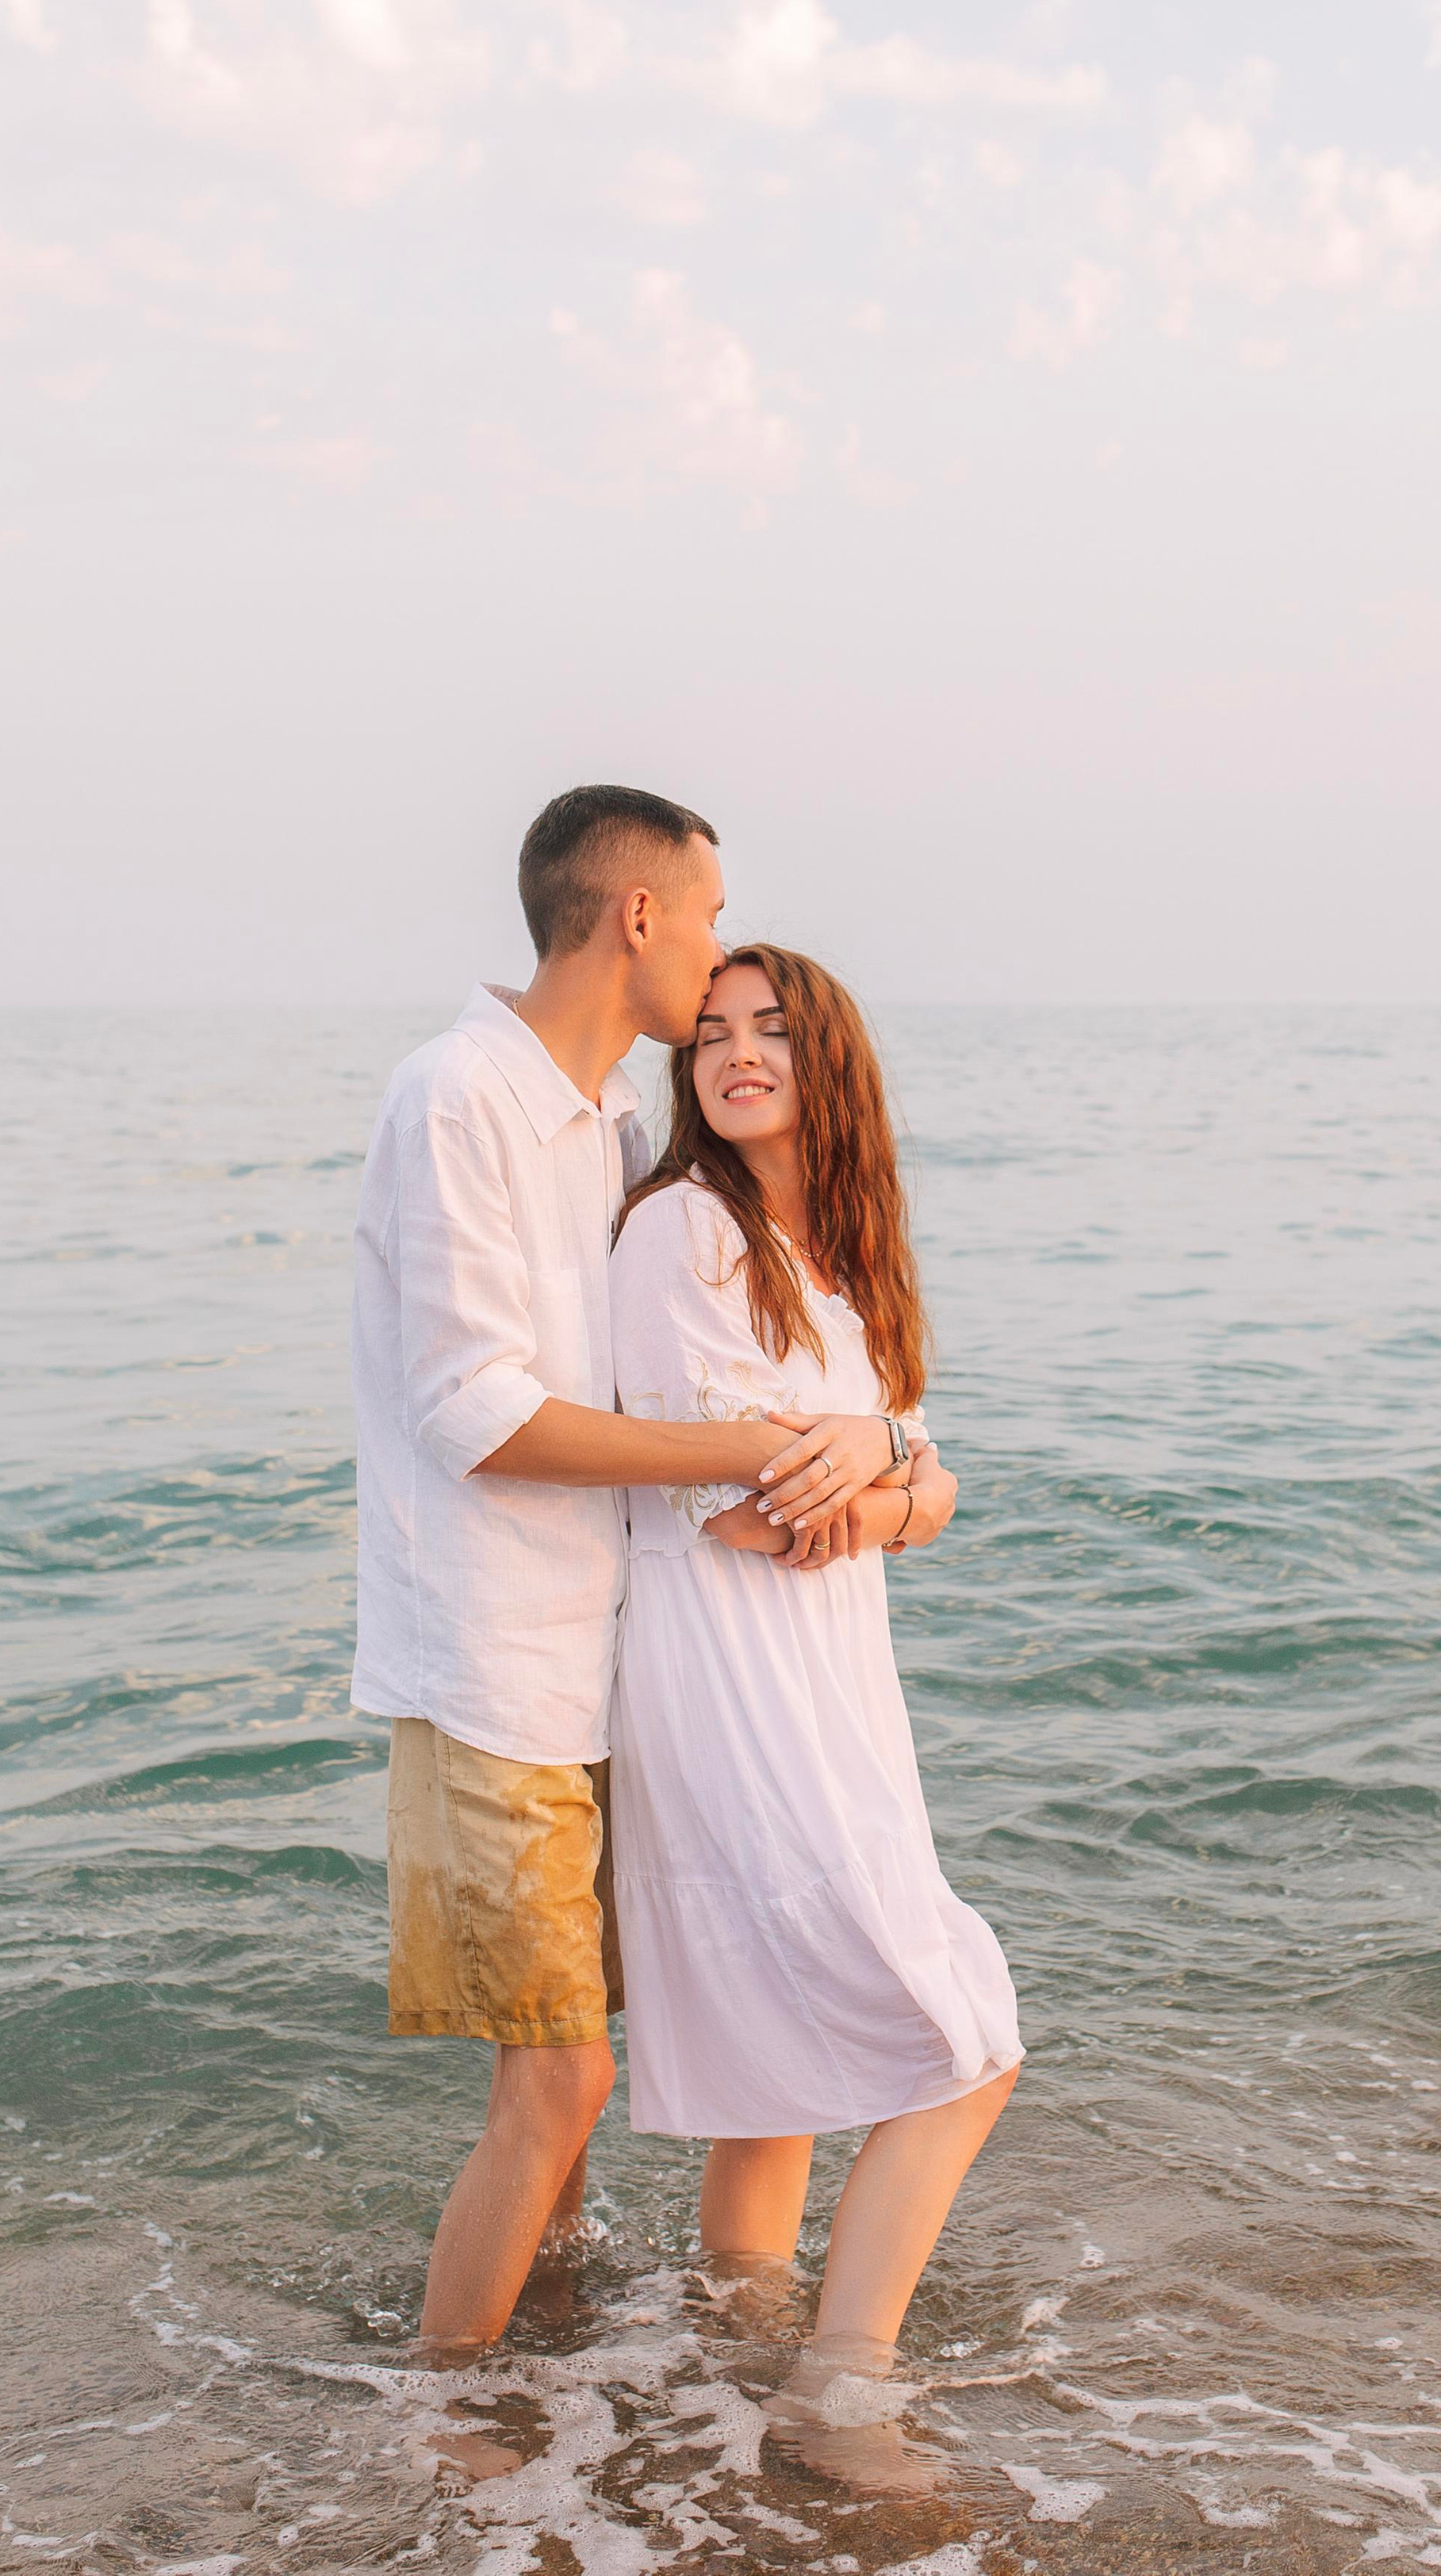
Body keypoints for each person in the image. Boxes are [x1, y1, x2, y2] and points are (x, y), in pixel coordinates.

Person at [350, 788, 903, 2352]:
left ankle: (552, 2325)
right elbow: (477, 1412)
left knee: (566, 2061)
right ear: (639, 917)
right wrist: (752, 1448)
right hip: (488, 1660)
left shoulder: (600, 1124)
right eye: (710, 913)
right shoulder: (459, 1095)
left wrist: (863, 1458)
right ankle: (446, 2421)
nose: (719, 943)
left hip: (599, 1657)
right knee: (562, 2073)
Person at [607, 942, 1023, 2425]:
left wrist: (890, 1467)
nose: (735, 1052)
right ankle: (843, 2389)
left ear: (824, 1057)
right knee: (965, 2040)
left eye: (772, 1029)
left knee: (773, 2083)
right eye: (711, 1031)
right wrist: (881, 1469)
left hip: (835, 1681)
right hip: (727, 1672)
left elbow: (929, 1485)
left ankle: (736, 2360)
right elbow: (743, 1505)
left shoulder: (847, 1256)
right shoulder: (682, 1233)